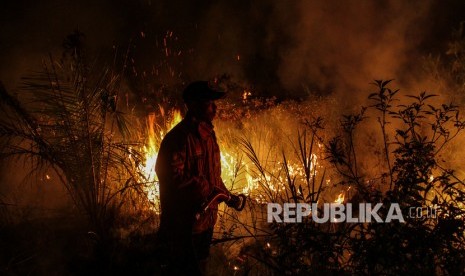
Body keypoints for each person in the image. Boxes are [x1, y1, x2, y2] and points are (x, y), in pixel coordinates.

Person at [155, 81, 245, 275]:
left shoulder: (209, 138)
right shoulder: (179, 138)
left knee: (202, 267)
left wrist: (229, 197)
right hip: (185, 226)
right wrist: (204, 188)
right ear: (194, 105)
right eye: (209, 102)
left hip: (206, 223)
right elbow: (170, 176)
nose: (215, 107)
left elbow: (214, 178)